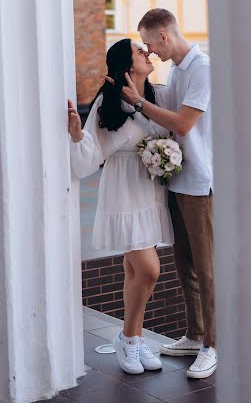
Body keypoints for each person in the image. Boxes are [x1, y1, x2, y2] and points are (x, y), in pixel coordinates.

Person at [118, 8, 216, 379]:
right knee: (184, 265)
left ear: (163, 36)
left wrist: (139, 101)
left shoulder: (202, 68)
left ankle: (213, 345)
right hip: (176, 180)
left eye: (148, 43)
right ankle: (194, 334)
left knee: (207, 269)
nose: (149, 51)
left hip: (200, 184)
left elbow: (183, 123)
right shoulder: (175, 70)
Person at [68, 38, 174, 375]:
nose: (147, 53)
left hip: (149, 194)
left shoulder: (156, 95)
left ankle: (134, 338)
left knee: (134, 272)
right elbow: (90, 157)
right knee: (149, 269)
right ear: (127, 65)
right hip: (123, 193)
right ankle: (128, 337)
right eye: (139, 51)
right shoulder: (107, 100)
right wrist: (75, 136)